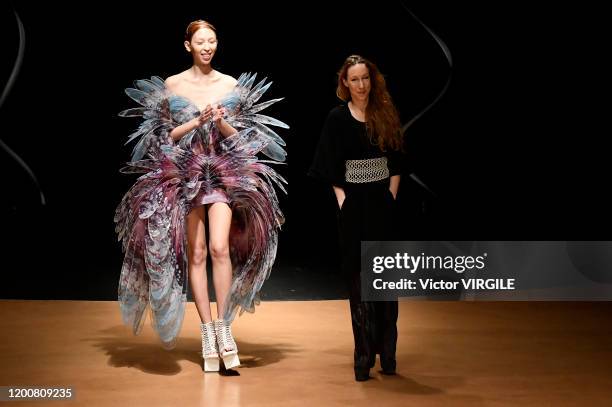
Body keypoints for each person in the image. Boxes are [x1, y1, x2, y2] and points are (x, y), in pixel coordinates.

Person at [114, 20, 288, 373]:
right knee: (195, 252)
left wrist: (221, 121)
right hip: (184, 174)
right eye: (201, 41)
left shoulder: (230, 85)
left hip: (223, 172)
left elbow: (243, 141)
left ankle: (224, 329)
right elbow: (164, 138)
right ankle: (207, 331)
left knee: (219, 248)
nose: (207, 46)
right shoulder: (173, 84)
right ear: (187, 45)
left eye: (212, 41)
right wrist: (196, 122)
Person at [309, 55, 403, 381]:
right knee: (358, 282)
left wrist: (391, 195)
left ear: (371, 80)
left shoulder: (385, 114)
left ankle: (388, 352)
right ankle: (362, 355)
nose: (361, 85)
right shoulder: (337, 119)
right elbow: (329, 167)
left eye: (365, 78)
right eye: (355, 80)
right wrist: (343, 202)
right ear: (345, 84)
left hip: (382, 205)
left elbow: (397, 161)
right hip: (354, 206)